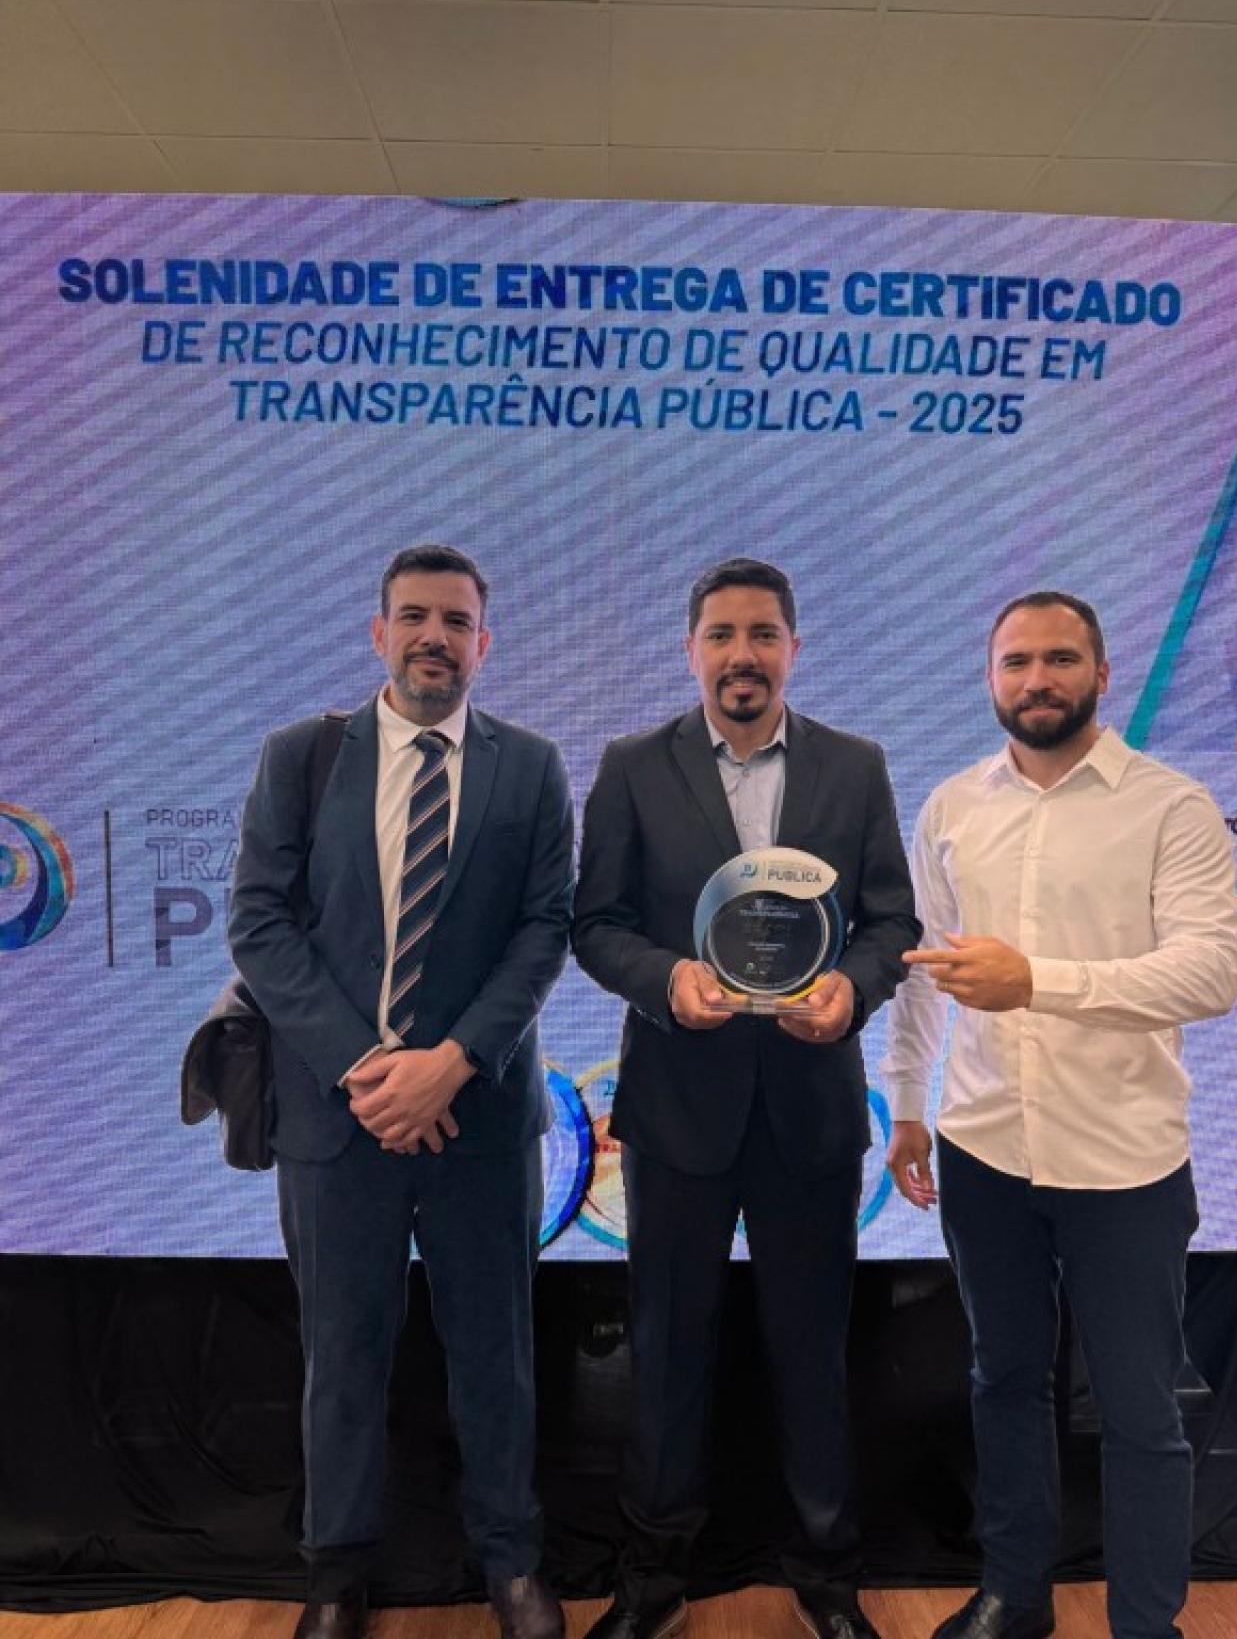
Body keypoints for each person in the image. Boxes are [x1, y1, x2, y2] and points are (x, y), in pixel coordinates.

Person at [880, 592, 1237, 1639]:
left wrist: (1037, 979)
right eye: (1015, 661)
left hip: (1123, 1162)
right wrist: (906, 1106)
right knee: (1001, 1380)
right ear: (989, 678)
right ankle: (1015, 1596)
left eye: (1058, 659)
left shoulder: (1171, 806)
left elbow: (1210, 971)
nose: (1036, 679)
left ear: (1100, 673)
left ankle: (1145, 1623)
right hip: (983, 1147)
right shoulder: (953, 805)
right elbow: (922, 971)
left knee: (1138, 1408)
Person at [228, 544, 573, 1639]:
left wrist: (452, 1061)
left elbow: (544, 930)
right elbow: (258, 923)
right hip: (339, 1120)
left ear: (484, 643)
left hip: (481, 1118)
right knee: (342, 1356)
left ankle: (511, 1564)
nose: (435, 637)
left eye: (456, 621)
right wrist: (364, 1066)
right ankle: (335, 1575)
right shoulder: (301, 757)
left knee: (496, 1356)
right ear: (378, 632)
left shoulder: (531, 767)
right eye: (414, 616)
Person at [572, 558, 919, 1639]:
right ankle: (651, 1581)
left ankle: (826, 1575)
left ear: (793, 649)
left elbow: (891, 924)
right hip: (678, 1109)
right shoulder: (633, 767)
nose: (742, 654)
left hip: (810, 1107)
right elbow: (597, 925)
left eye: (763, 634)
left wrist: (851, 991)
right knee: (668, 1350)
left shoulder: (854, 766)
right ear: (691, 650)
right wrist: (666, 980)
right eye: (721, 634)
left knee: (812, 1350)